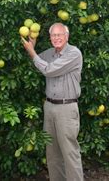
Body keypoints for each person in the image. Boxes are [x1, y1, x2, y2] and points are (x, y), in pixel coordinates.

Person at [22, 22, 84, 181]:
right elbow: (35, 61)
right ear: (50, 38)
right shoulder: (49, 53)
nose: (56, 38)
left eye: (59, 35)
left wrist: (33, 53)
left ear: (67, 36)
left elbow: (48, 70)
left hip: (66, 108)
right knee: (52, 152)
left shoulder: (73, 53)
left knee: (70, 152)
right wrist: (32, 48)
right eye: (53, 35)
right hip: (49, 106)